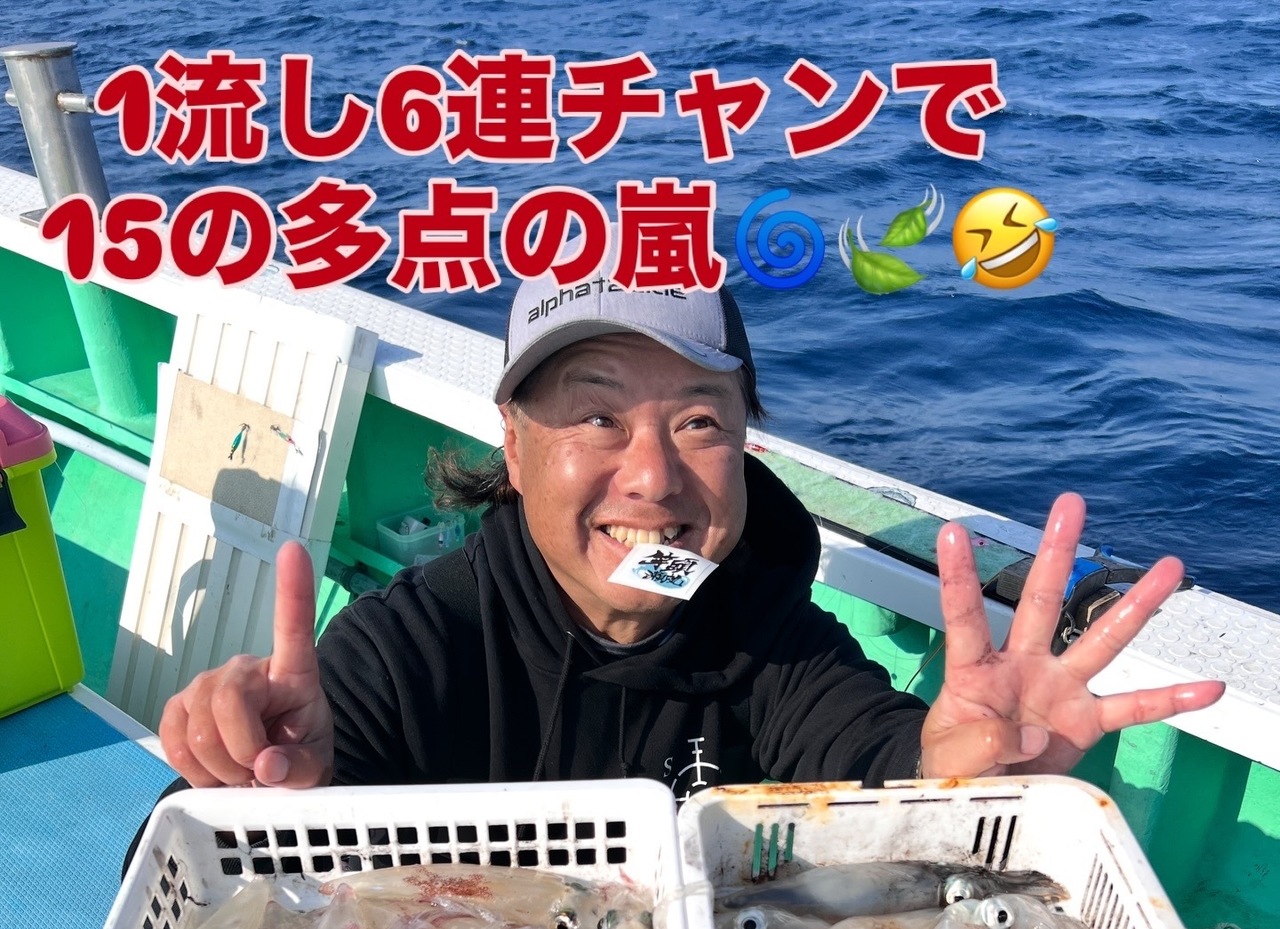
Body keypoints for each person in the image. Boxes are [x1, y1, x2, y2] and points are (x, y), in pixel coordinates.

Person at [156, 272, 1224, 797]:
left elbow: (880, 758)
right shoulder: (409, 649)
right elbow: (184, 880)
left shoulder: (767, 637)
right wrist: (249, 787)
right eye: (596, 416)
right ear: (514, 447)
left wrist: (957, 774)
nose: (653, 476)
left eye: (700, 422)